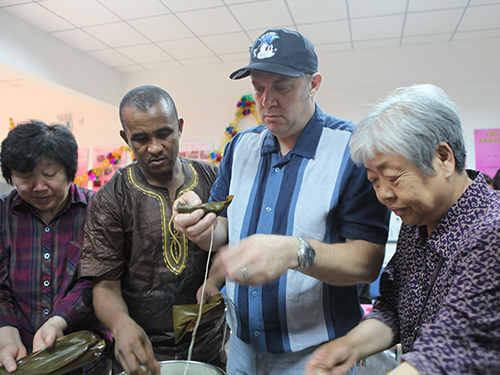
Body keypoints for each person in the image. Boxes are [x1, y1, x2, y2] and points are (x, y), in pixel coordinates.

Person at [173, 28, 390, 375]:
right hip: (241, 345)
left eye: (282, 87)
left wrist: (294, 251)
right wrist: (199, 228)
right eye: (258, 88)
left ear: (313, 83)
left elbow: (367, 261)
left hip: (316, 354)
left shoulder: (352, 149)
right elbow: (223, 232)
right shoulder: (239, 147)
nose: (266, 101)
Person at [305, 84, 500, 375]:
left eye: (393, 178)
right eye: (374, 181)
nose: (384, 195)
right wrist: (349, 346)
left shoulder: (490, 232)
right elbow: (394, 307)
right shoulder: (418, 221)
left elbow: (449, 352)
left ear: (444, 158)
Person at [78, 85, 227, 375]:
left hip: (208, 344)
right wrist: (120, 324)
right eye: (141, 139)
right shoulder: (112, 197)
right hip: (141, 350)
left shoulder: (214, 179)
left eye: (164, 134)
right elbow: (105, 284)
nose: (155, 147)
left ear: (180, 127)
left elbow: (231, 240)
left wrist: (216, 279)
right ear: (125, 138)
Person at [0, 120, 110, 374]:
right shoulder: (3, 215)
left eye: (50, 175)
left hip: (86, 358)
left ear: (70, 169)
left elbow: (97, 280)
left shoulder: (98, 209)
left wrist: (59, 322)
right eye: (26, 177)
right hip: (22, 359)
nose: (39, 187)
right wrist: (7, 335)